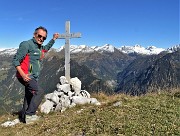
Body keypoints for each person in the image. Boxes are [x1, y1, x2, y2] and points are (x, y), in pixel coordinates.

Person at [12, 26, 59, 124]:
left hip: (32, 76)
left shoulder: (39, 47)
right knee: (39, 92)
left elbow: (46, 48)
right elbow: (15, 60)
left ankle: (24, 116)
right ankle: (30, 115)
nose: (41, 39)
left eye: (44, 38)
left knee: (29, 95)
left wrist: (53, 39)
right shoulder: (26, 44)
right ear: (34, 34)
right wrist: (23, 74)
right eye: (40, 36)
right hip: (26, 76)